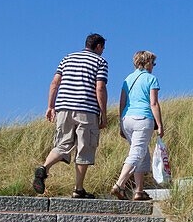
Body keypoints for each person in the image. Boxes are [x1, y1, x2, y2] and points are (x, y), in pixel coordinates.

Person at [33, 33, 109, 198]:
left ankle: (44, 168)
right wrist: (103, 113)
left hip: (63, 108)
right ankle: (78, 189)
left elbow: (55, 82)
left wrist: (50, 106)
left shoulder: (67, 58)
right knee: (84, 149)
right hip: (86, 110)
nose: (103, 51)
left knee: (62, 145)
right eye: (102, 48)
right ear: (98, 46)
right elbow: (100, 88)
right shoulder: (100, 62)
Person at [111, 50, 164, 201]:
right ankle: (119, 185)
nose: (153, 66)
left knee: (143, 154)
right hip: (143, 118)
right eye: (153, 63)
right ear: (147, 63)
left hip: (127, 119)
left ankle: (139, 191)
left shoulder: (127, 79)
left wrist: (121, 123)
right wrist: (159, 124)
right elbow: (153, 103)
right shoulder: (151, 79)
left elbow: (122, 102)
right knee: (137, 153)